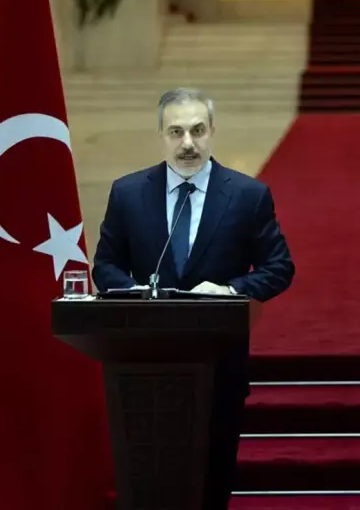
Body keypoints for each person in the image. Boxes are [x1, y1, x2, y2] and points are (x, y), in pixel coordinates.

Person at [92, 87, 295, 509]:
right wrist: (131, 293)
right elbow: (106, 265)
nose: (188, 143)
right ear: (162, 135)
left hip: (218, 367)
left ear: (212, 131)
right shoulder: (128, 193)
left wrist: (231, 290)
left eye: (198, 130)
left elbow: (279, 267)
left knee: (211, 483)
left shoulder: (247, 195)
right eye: (177, 132)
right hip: (144, 365)